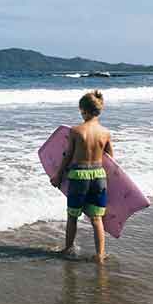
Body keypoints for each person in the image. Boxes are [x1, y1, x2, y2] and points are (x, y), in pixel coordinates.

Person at [52, 90, 112, 263]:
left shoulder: (76, 131)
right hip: (99, 176)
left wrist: (58, 175)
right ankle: (100, 255)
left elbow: (68, 155)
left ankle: (68, 248)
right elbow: (110, 160)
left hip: (79, 176)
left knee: (73, 216)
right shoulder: (105, 133)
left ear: (83, 110)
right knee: (96, 218)